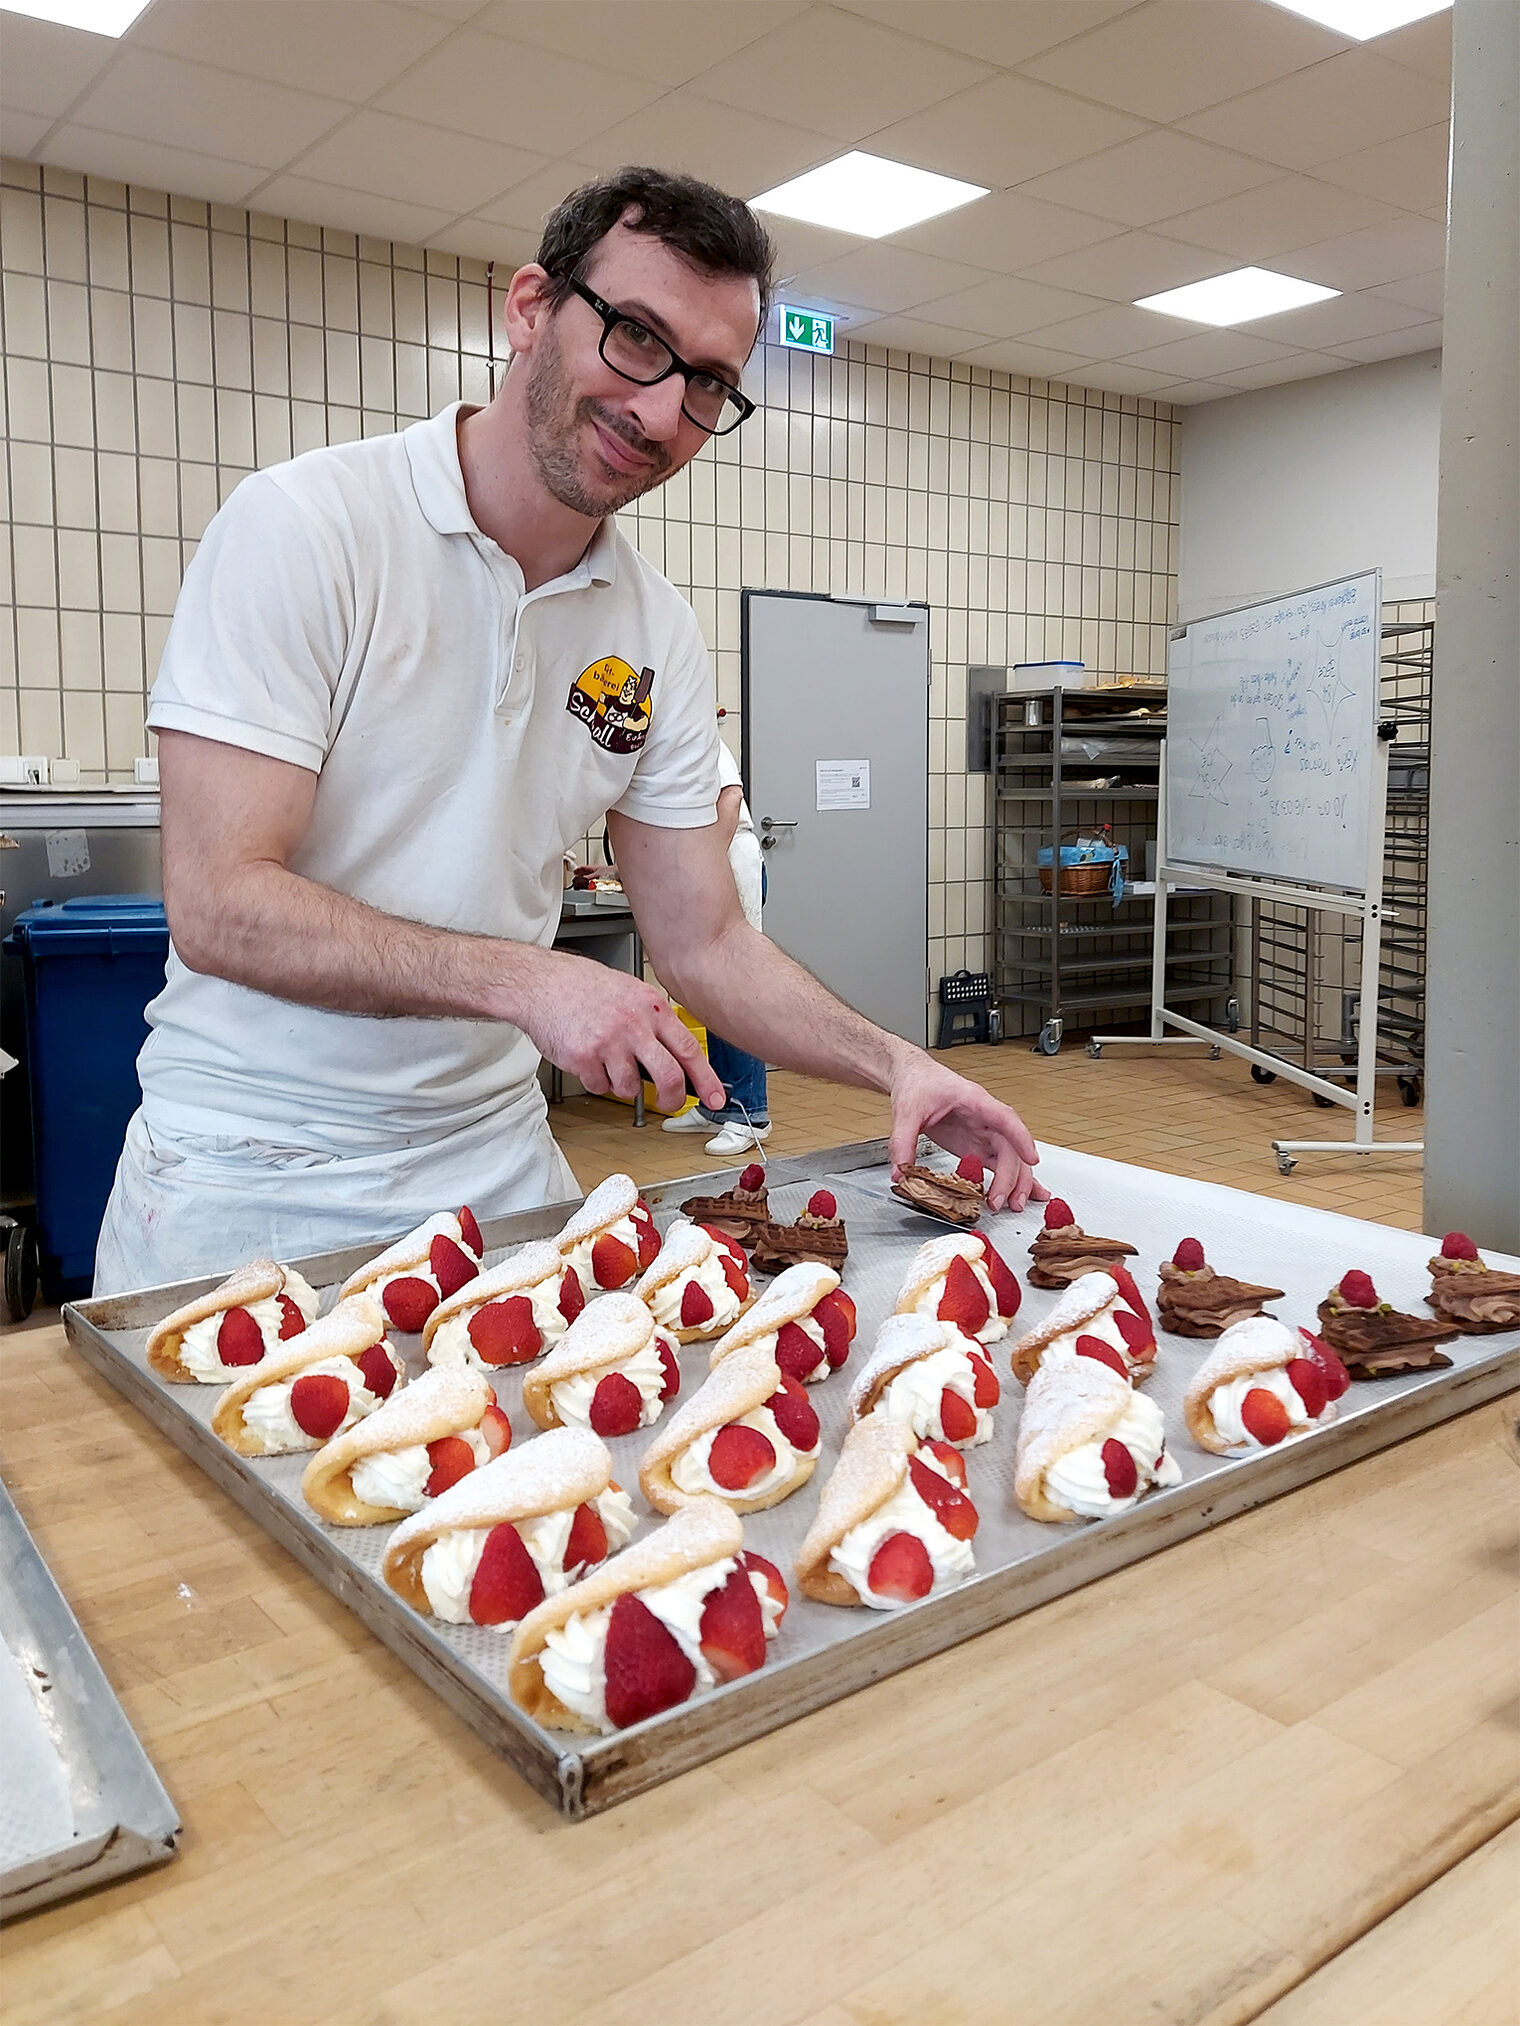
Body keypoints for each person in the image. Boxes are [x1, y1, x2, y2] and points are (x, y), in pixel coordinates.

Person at [94, 166, 1041, 1295]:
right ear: (531, 308)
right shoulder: (307, 530)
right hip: (252, 1171)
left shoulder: (653, 632)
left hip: (497, 1172)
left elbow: (704, 942)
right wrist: (532, 983)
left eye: (706, 384)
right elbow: (219, 902)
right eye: (635, 337)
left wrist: (898, 1065)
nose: (657, 412)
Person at [661, 735, 770, 1157]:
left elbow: (730, 798)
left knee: (736, 987)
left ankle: (752, 1114)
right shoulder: (657, 752)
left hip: (729, 864)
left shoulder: (696, 737)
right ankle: (718, 1103)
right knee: (708, 988)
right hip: (707, 866)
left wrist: (702, 867)